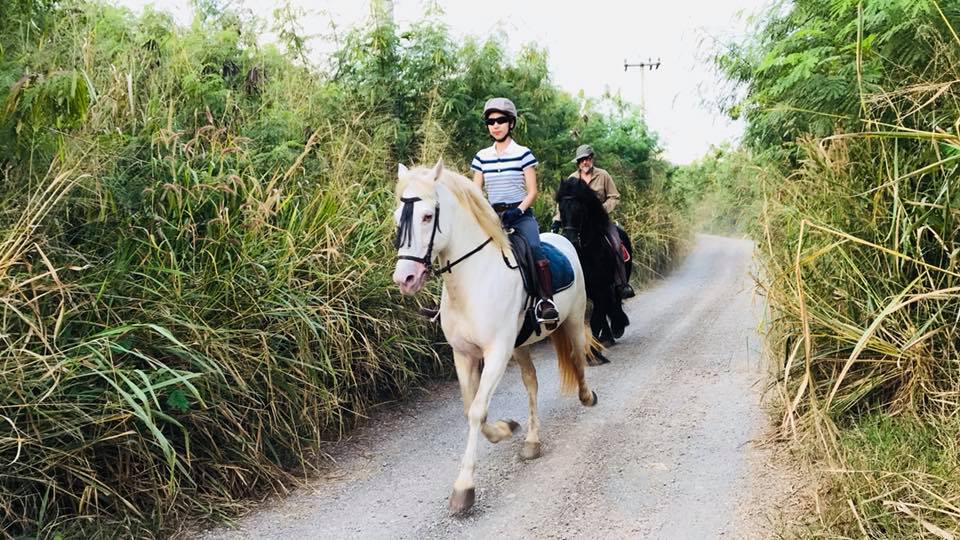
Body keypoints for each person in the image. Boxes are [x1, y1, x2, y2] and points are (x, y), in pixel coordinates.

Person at [471, 97, 559, 326]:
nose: (495, 125)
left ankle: (546, 301)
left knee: (534, 247)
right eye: (490, 122)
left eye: (501, 120)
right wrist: (484, 213)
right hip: (492, 215)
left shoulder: (523, 153)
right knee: (467, 248)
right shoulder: (482, 157)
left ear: (511, 123)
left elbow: (533, 191)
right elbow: (475, 191)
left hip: (520, 215)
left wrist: (518, 211)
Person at [552, 144, 635, 299]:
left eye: (588, 158)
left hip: (600, 222)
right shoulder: (572, 179)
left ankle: (622, 284)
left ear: (592, 159)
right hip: (577, 225)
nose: (585, 162)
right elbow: (564, 203)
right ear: (578, 162)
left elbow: (614, 196)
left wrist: (601, 210)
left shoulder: (603, 175)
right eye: (582, 159)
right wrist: (557, 220)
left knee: (617, 242)